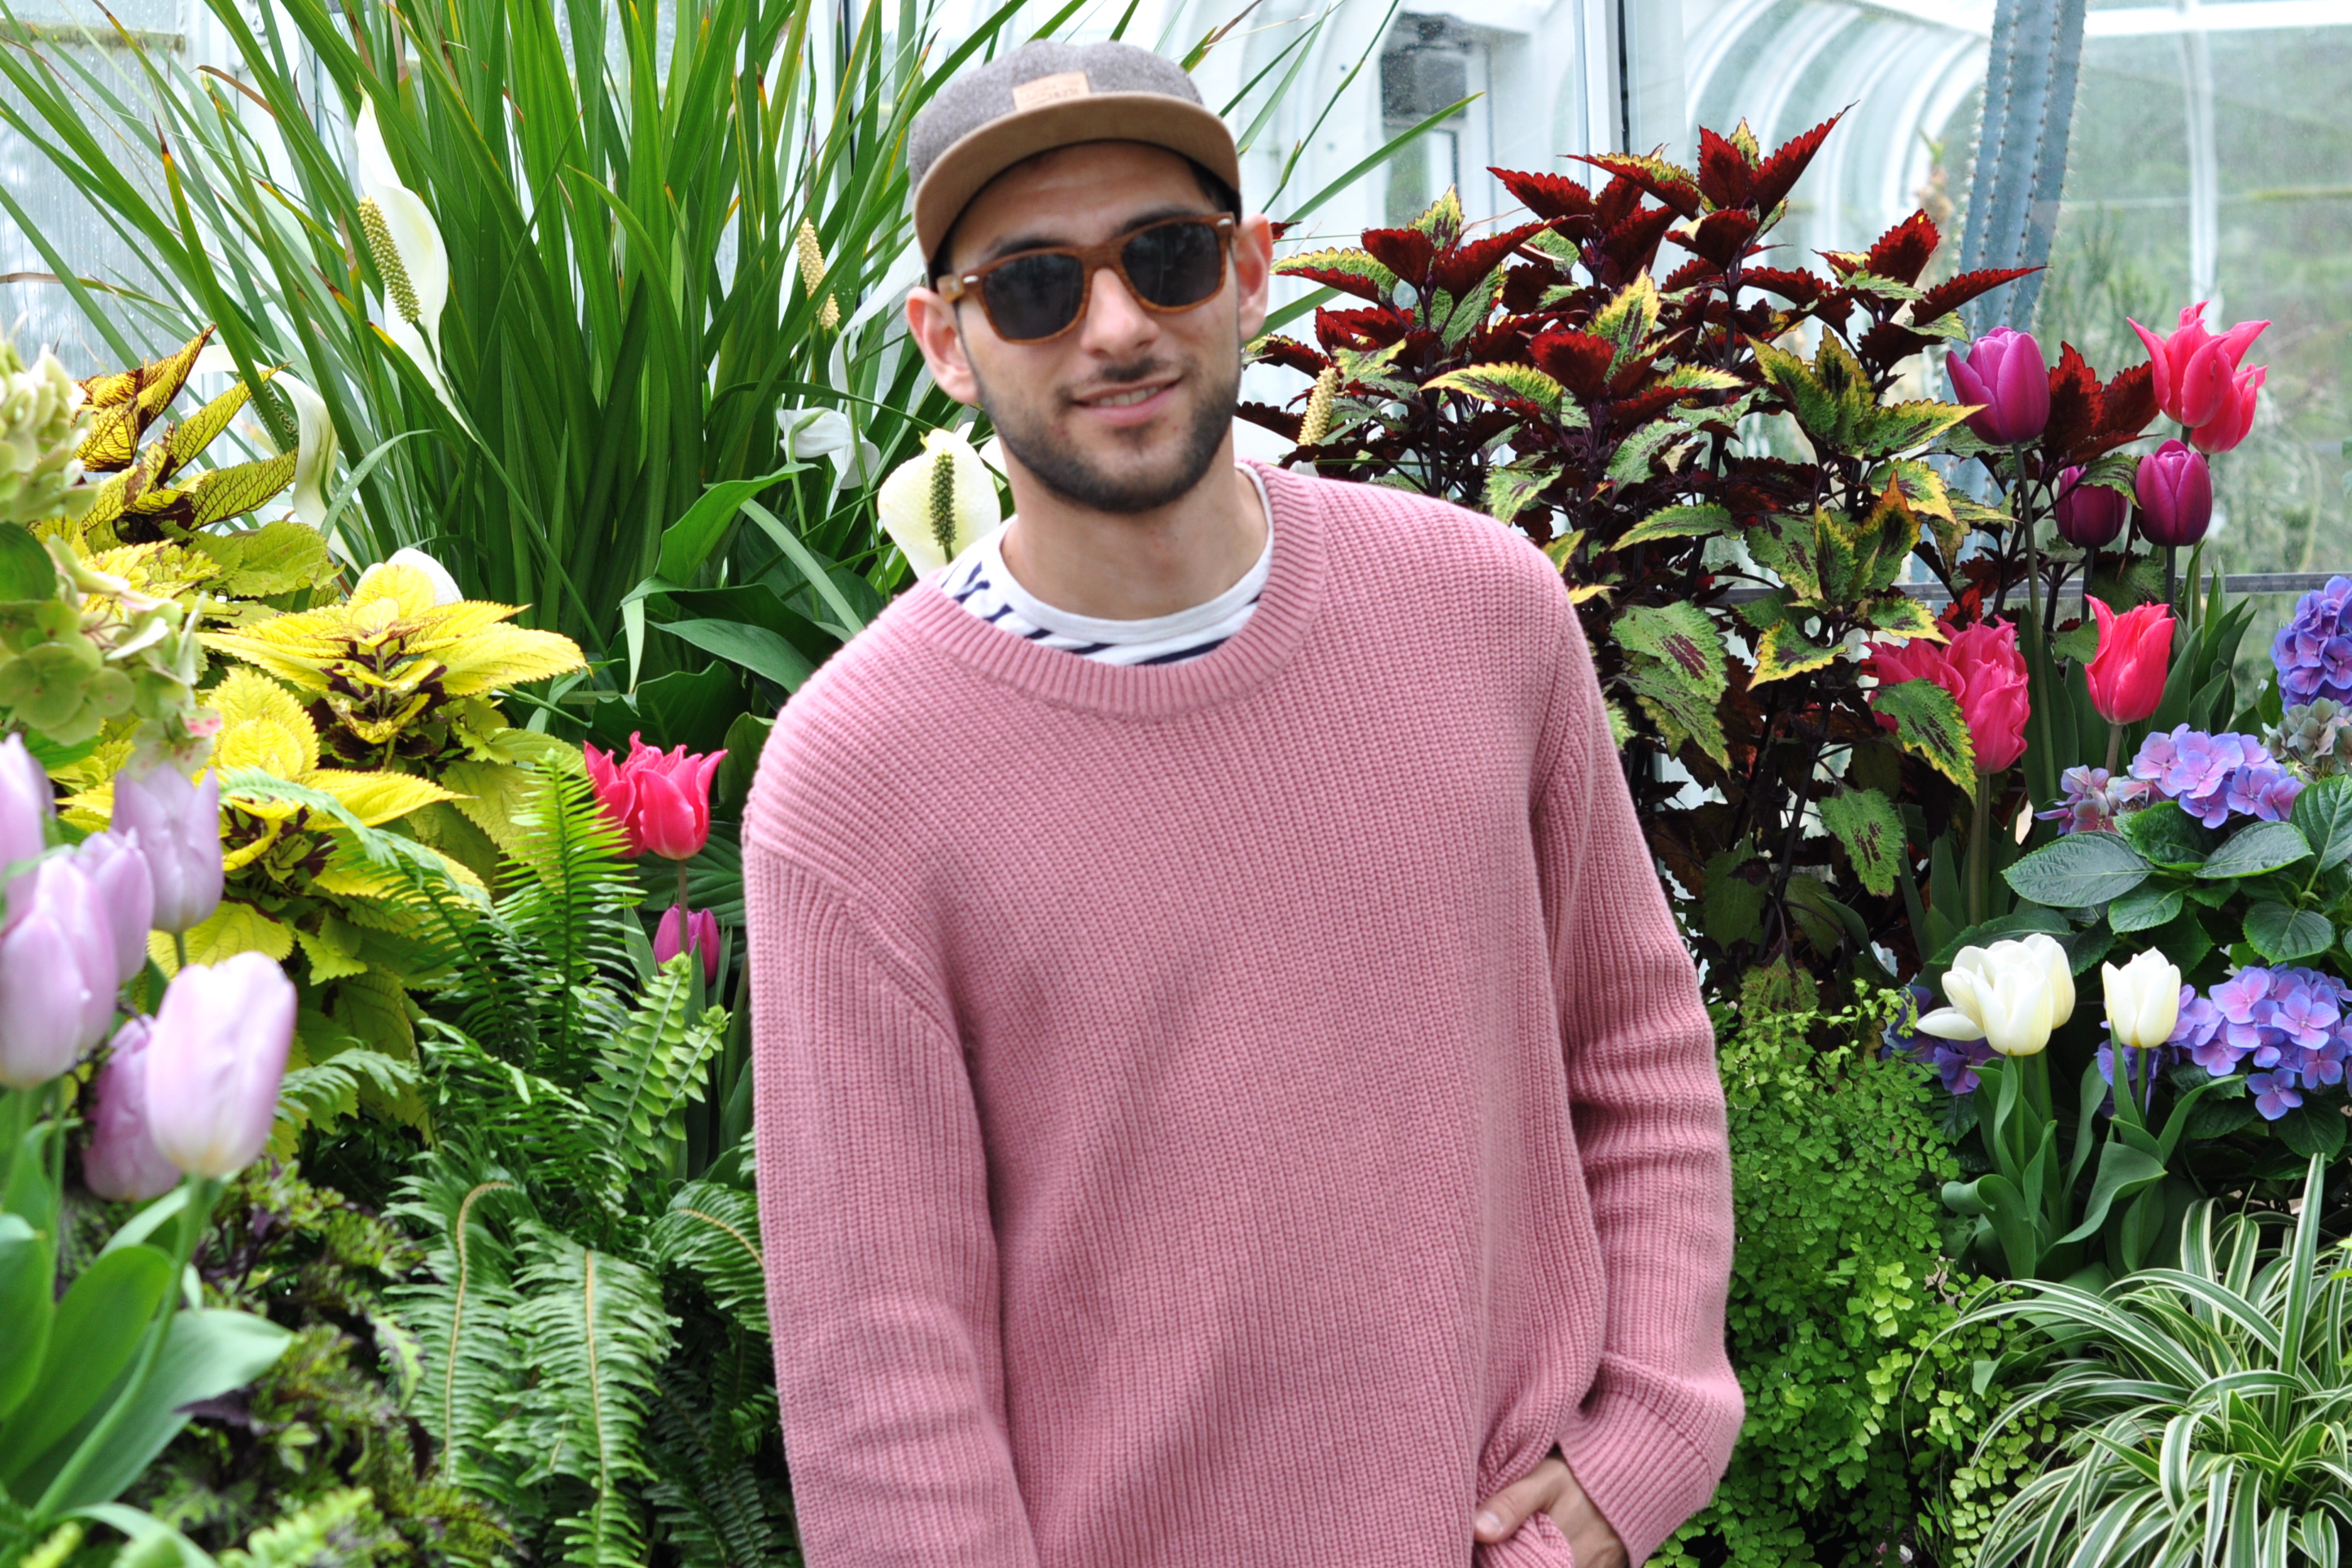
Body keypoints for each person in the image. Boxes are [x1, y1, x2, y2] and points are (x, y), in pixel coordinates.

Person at [742, 37, 1741, 1568]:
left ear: (1251, 269)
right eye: (1034, 286)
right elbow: (882, 1368)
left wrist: (1644, 1434)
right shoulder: (856, 781)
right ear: (945, 340)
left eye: (1165, 255)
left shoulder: (1484, 612)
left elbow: (1635, 1045)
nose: (1116, 326)